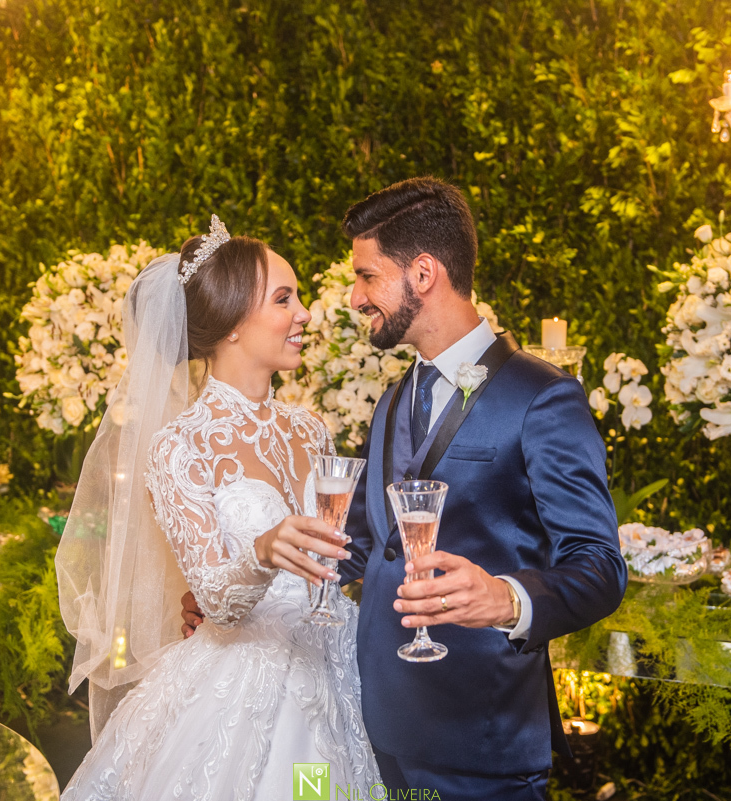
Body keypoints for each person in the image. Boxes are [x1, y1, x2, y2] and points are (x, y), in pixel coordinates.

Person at [184, 178, 627, 800]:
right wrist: (238, 588)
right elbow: (360, 546)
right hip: (372, 726)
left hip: (481, 737)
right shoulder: (394, 401)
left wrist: (506, 598)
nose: (355, 297)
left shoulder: (543, 396)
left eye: (367, 277)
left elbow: (600, 566)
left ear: (423, 273)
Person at [58, 217, 381, 800]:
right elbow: (217, 601)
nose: (306, 314)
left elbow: (340, 557)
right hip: (238, 688)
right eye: (284, 299)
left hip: (335, 668)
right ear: (232, 322)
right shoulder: (180, 446)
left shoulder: (311, 430)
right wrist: (262, 553)